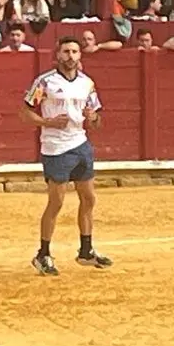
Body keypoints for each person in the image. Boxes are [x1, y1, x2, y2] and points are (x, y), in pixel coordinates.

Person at [19, 36, 113, 276]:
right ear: (58, 55)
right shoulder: (46, 82)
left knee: (89, 199)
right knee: (56, 202)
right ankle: (43, 254)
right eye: (66, 52)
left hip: (81, 143)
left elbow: (97, 121)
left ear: (80, 55)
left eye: (74, 52)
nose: (70, 56)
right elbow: (25, 112)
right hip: (55, 148)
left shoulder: (87, 83)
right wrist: (47, 122)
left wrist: (93, 118)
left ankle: (86, 251)